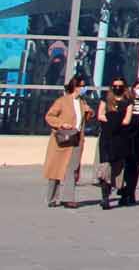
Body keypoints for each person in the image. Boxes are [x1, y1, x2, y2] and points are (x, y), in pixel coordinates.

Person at [95, 78, 139, 208]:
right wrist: (111, 121)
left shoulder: (128, 102)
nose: (117, 88)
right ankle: (105, 197)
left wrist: (112, 120)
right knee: (105, 168)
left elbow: (127, 120)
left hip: (121, 139)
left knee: (117, 169)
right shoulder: (105, 100)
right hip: (107, 138)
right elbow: (100, 115)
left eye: (120, 86)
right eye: (115, 85)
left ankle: (123, 192)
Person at [40, 75, 89, 208]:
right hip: (62, 139)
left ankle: (68, 198)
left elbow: (84, 118)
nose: (84, 88)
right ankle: (52, 198)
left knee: (71, 169)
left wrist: (90, 112)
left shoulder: (82, 102)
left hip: (76, 138)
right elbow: (49, 116)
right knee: (56, 168)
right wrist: (62, 124)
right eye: (82, 86)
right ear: (75, 86)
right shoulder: (62, 101)